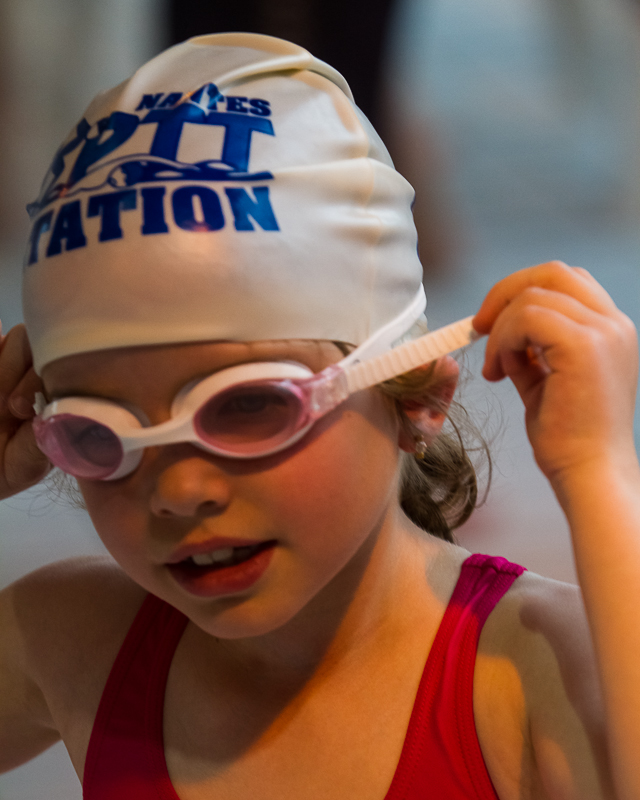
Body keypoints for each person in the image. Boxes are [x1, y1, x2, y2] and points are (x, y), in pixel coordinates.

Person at [0, 32, 639, 800]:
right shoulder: (75, 642)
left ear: (416, 395)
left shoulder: (529, 671)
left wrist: (601, 475)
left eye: (247, 404)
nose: (177, 491)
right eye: (97, 431)